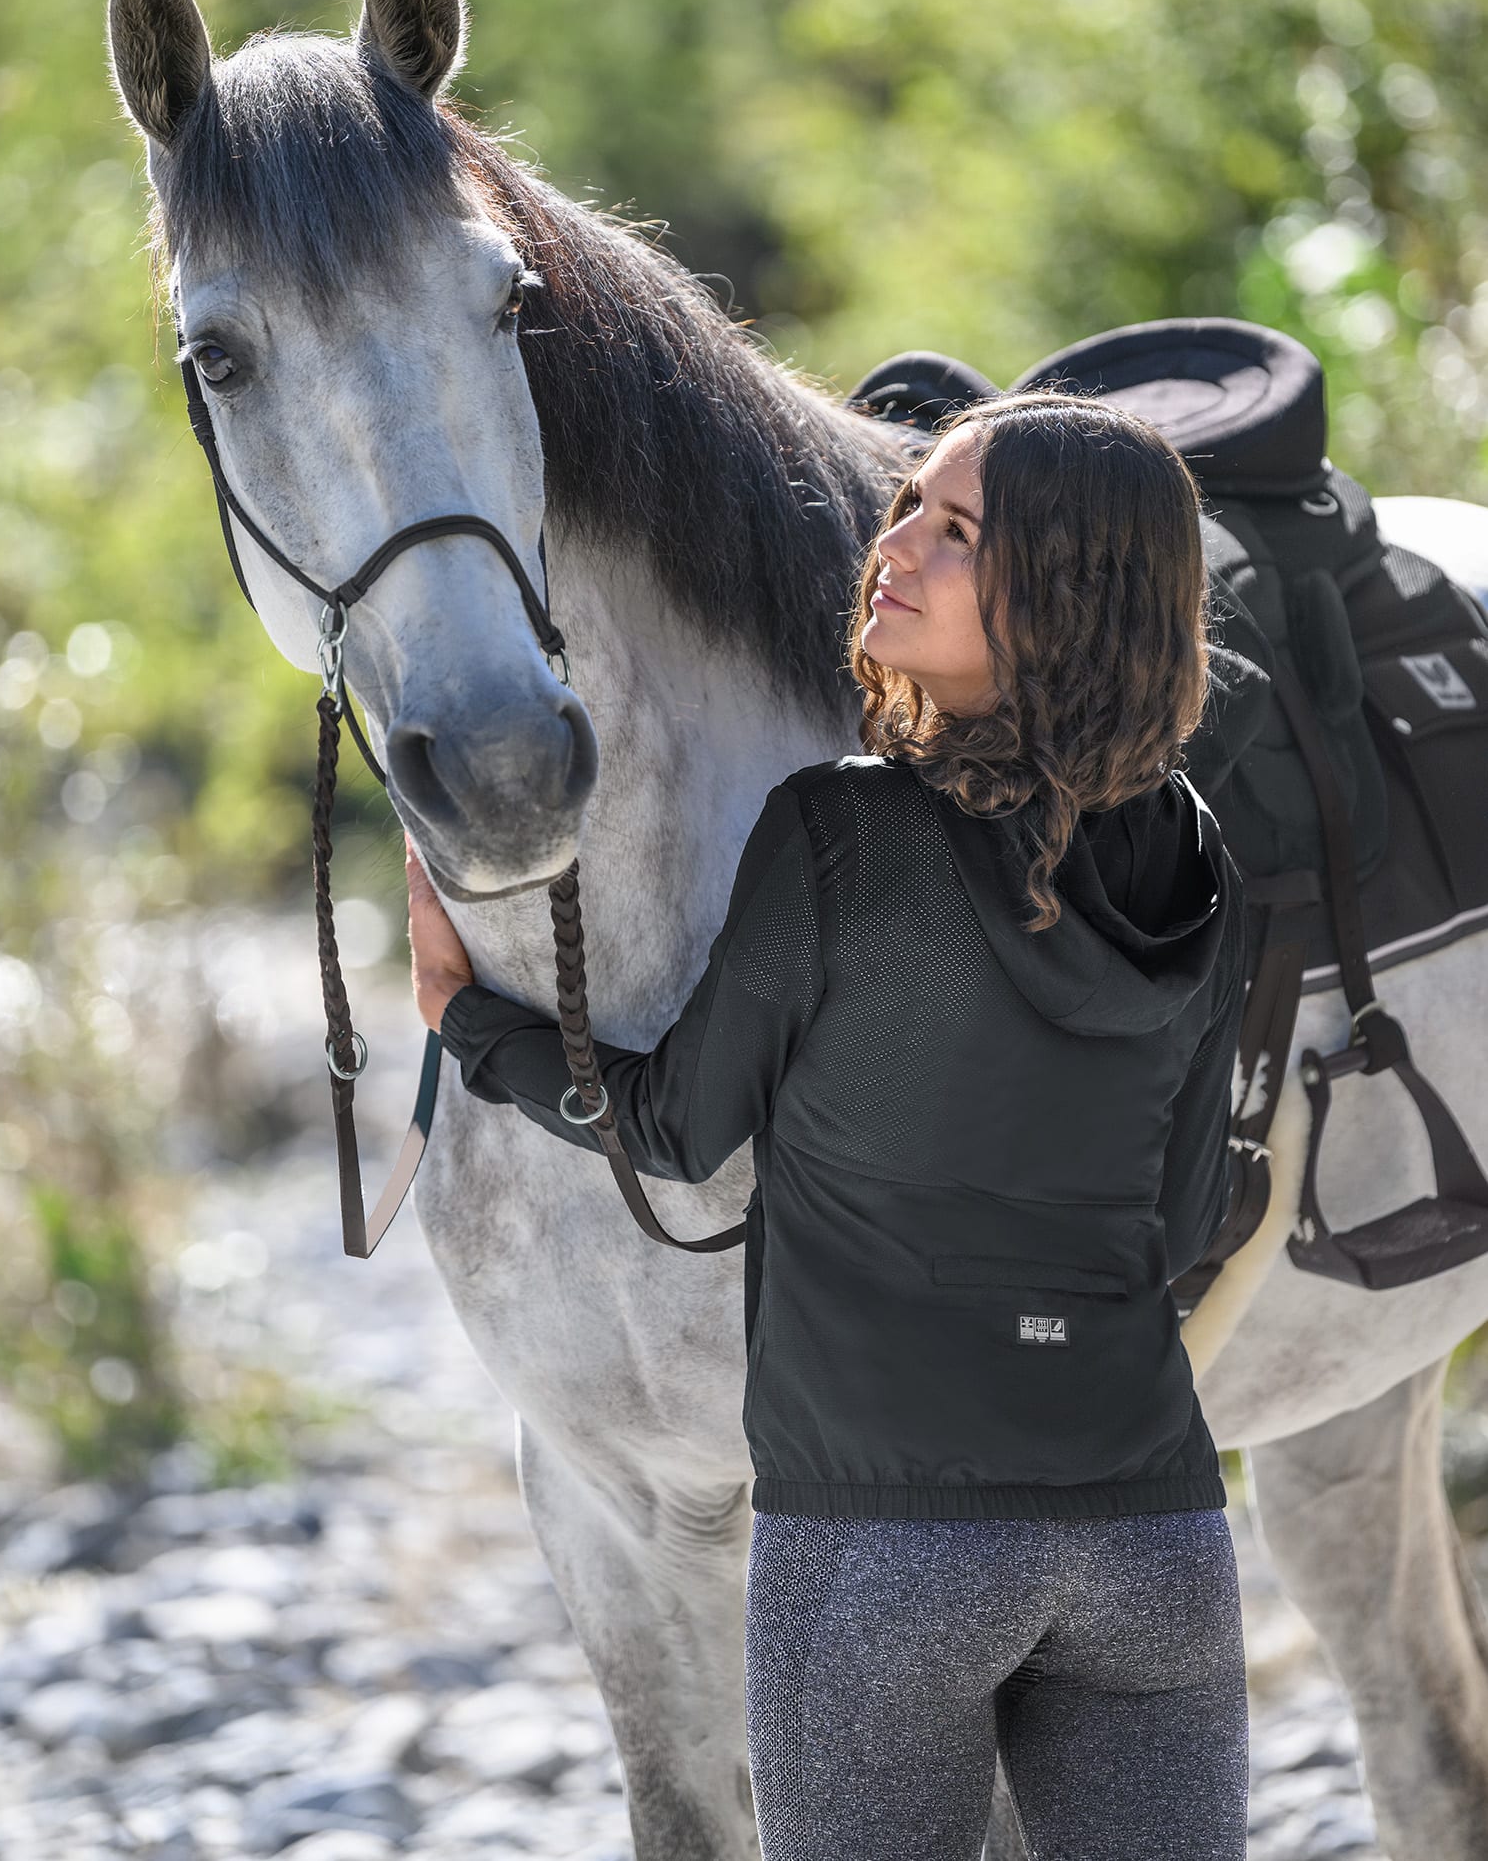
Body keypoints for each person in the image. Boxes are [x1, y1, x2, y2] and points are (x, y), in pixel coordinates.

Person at [405, 387, 1256, 1860]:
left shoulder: (840, 831)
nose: (897, 546)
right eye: (910, 503)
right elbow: (1184, 1222)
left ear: (1062, 595)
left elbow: (671, 1126)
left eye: (957, 529)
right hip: (1152, 1542)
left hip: (882, 1556)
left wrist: (467, 1021)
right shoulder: (1197, 853)